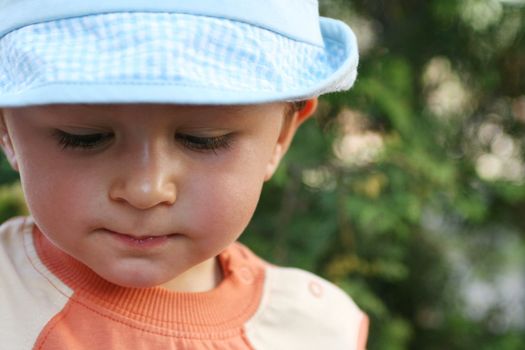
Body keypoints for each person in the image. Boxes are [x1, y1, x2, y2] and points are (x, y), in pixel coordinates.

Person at [0, 0, 368, 349]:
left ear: (281, 137)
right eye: (85, 138)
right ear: (7, 131)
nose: (146, 189)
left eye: (203, 140)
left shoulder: (315, 331)